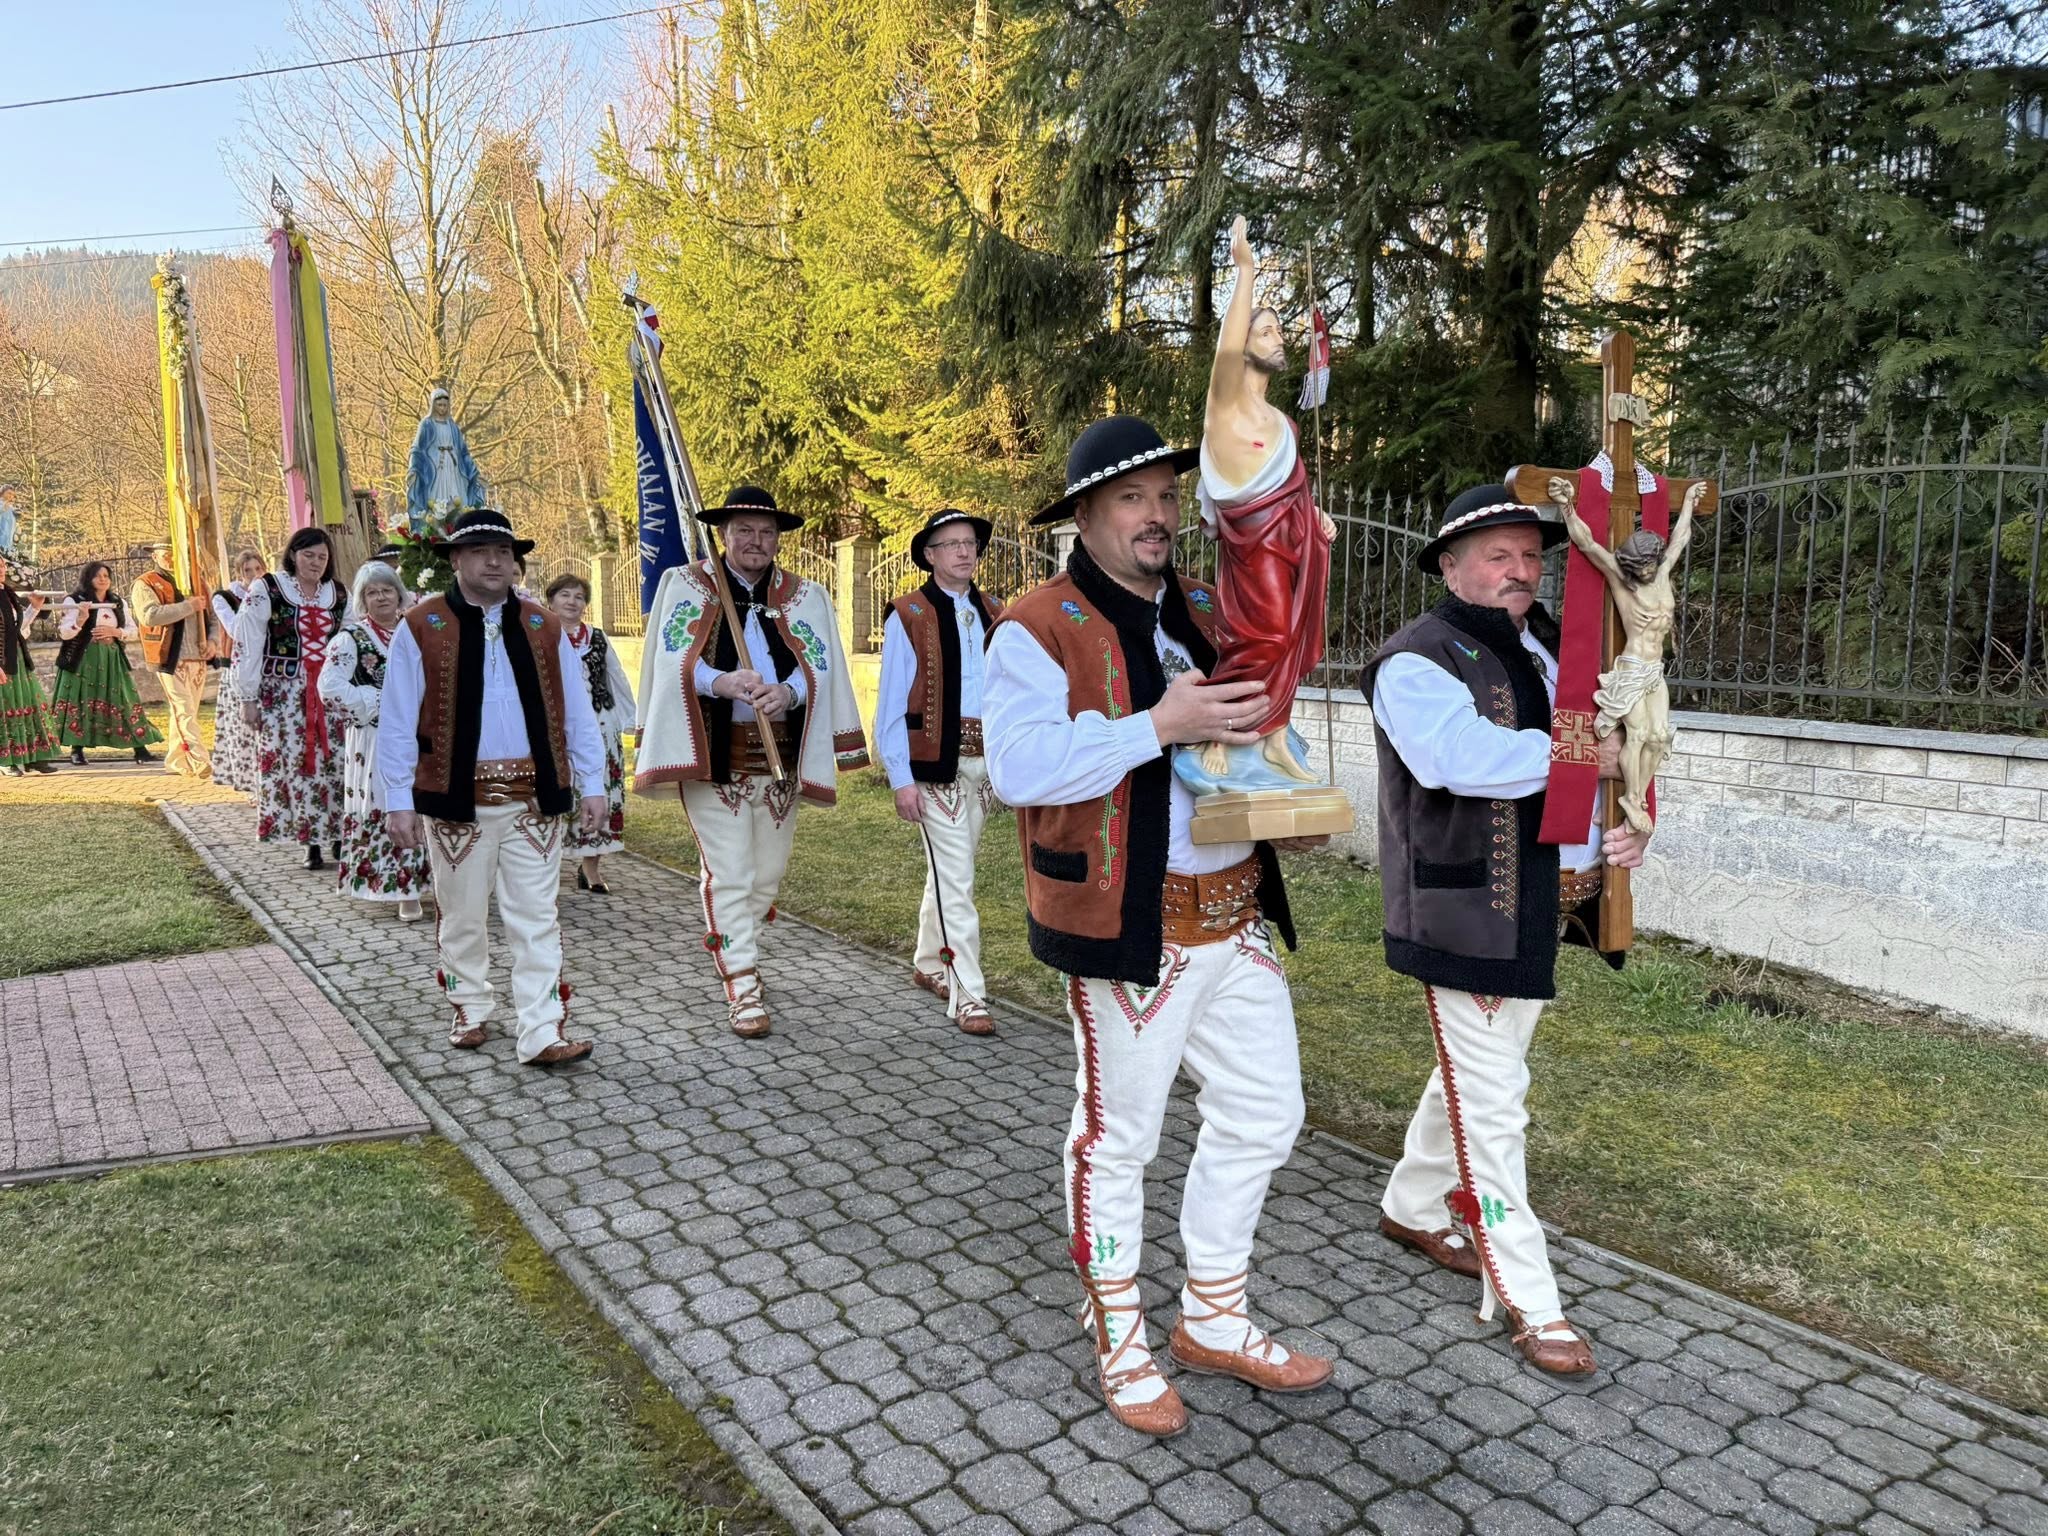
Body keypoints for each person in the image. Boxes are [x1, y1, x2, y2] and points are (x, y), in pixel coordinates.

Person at [985, 416, 1334, 1438]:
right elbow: (1018, 769)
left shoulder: (1203, 606)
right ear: (1084, 515)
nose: (1156, 515)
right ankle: (1120, 1337)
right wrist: (1155, 726)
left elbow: (1249, 728)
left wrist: (1290, 803)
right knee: (1117, 1139)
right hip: (1131, 926)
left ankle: (1213, 1317)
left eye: (1166, 496)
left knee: (1266, 1114)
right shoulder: (1033, 625)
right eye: (1131, 498)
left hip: (1236, 914)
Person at [1363, 483, 1653, 1376]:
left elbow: (1610, 758)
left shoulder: (1552, 648)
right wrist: (1584, 756)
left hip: (1541, 905)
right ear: (1451, 568)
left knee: (1479, 1072)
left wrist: (1628, 819)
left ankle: (1412, 1206)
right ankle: (1530, 1296)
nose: (1521, 569)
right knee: (1495, 1104)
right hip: (1466, 914)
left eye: (1530, 555)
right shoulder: (1414, 659)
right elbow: (1458, 761)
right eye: (1498, 555)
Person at [635, 487, 870, 1039]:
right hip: (715, 757)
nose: (756, 542)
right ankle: (741, 984)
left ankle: (739, 946)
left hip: (781, 758)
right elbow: (669, 661)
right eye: (744, 530)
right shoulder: (685, 585)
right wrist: (719, 681)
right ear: (723, 535)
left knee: (765, 879)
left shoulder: (806, 596)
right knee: (731, 874)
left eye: (766, 532)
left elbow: (822, 666)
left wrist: (789, 692)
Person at [378, 508, 607, 1067]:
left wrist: (594, 784)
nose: (495, 562)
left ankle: (542, 1029)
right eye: (480, 551)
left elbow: (577, 711)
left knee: (537, 916)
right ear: (456, 559)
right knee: (461, 914)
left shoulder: (544, 626)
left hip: (533, 799)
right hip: (456, 800)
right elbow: (397, 719)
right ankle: (470, 1005)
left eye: (504, 552)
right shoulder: (422, 625)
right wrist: (397, 800)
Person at [874, 508, 1006, 1036]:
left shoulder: (996, 611)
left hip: (984, 764)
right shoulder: (908, 614)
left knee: (951, 870)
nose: (964, 551)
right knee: (957, 880)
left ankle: (929, 962)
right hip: (934, 768)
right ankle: (967, 991)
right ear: (929, 555)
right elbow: (890, 705)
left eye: (969, 542)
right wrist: (901, 778)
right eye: (951, 544)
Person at [319, 561, 430, 920]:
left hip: (420, 735)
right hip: (375, 737)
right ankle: (402, 890)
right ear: (362, 600)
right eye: (372, 592)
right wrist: (380, 701)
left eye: (387, 589)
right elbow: (329, 687)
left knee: (422, 801)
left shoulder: (415, 631)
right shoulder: (350, 639)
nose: (381, 597)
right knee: (390, 803)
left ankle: (429, 882)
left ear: (399, 594)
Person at [233, 528, 348, 868]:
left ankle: (339, 835)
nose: (315, 562)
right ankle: (310, 841)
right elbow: (248, 642)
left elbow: (350, 640)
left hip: (329, 694)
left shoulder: (338, 593)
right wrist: (247, 697)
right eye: (308, 555)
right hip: (284, 696)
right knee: (298, 766)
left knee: (336, 763)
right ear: (293, 554)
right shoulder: (268, 588)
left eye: (322, 556)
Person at [546, 572, 635, 894]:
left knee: (603, 792)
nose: (572, 602)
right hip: (556, 729)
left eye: (579, 596)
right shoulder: (541, 635)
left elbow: (616, 677)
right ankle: (545, 868)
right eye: (565, 595)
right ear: (550, 601)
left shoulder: (597, 637)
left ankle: (591, 869)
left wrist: (630, 719)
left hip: (600, 725)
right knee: (557, 795)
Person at [51, 562, 159, 764]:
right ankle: (77, 750)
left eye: (106, 576)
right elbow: (65, 633)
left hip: (110, 658)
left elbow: (133, 631)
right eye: (98, 576)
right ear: (88, 578)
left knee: (123, 699)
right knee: (81, 698)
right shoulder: (75, 600)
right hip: (82, 659)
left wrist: (115, 632)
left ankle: (140, 749)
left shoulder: (117, 602)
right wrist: (81, 619)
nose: (103, 579)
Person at [132, 542, 216, 778]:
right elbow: (149, 616)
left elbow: (214, 618)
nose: (170, 558)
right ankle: (199, 759)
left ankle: (177, 761)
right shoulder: (146, 583)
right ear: (155, 556)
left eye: (174, 553)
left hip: (197, 657)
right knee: (184, 709)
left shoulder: (198, 582)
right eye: (165, 554)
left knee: (187, 711)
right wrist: (188, 606)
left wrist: (213, 641)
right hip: (169, 656)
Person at [210, 548, 268, 791]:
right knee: (242, 727)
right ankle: (248, 783)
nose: (254, 575)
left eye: (258, 569)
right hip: (238, 668)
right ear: (239, 573)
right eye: (248, 570)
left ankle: (266, 780)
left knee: (265, 728)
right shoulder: (225, 598)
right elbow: (236, 629)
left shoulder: (271, 595)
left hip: (265, 666)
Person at [0, 550, 60, 775]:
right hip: (2, 660)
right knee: (4, 706)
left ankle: (32, 757)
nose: (1, 570)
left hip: (17, 657)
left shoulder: (7, 593)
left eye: (2, 565)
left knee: (27, 704)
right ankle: (5, 760)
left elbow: (16, 629)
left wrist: (34, 607)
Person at [404, 387, 487, 530]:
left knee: (457, 499)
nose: (442, 408)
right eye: (439, 405)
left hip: (454, 469)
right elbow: (417, 449)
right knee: (435, 499)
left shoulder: (453, 426)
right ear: (433, 405)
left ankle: (458, 525)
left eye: (445, 405)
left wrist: (474, 473)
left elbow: (464, 453)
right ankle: (436, 527)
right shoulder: (426, 424)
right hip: (435, 470)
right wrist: (413, 469)